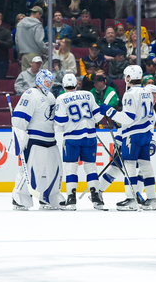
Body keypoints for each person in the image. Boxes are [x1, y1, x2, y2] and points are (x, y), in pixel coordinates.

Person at [99, 65, 156, 210]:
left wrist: (110, 112)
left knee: (129, 165)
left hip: (133, 135)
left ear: (129, 77)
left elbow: (128, 118)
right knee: (146, 167)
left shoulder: (130, 93)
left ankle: (131, 200)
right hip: (145, 134)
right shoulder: (147, 92)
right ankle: (152, 200)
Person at [10, 70, 64, 211]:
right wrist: (19, 136)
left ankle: (49, 196)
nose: (49, 84)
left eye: (50, 81)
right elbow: (19, 118)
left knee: (55, 169)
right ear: (39, 80)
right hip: (35, 138)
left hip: (50, 139)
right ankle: (20, 197)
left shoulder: (51, 96)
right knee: (32, 170)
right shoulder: (30, 94)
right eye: (46, 81)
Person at [52, 73, 106, 210]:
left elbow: (60, 121)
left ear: (64, 86)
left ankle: (71, 200)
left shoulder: (61, 98)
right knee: (91, 167)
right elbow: (98, 116)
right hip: (90, 136)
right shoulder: (88, 94)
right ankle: (96, 199)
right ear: (77, 85)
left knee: (71, 167)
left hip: (72, 138)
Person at [16, 6, 48, 71]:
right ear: (38, 13)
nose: (40, 18)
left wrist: (19, 52)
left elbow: (17, 40)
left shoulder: (20, 24)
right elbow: (38, 40)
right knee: (37, 78)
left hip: (24, 55)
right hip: (35, 55)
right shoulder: (38, 24)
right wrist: (45, 49)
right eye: (40, 16)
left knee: (26, 77)